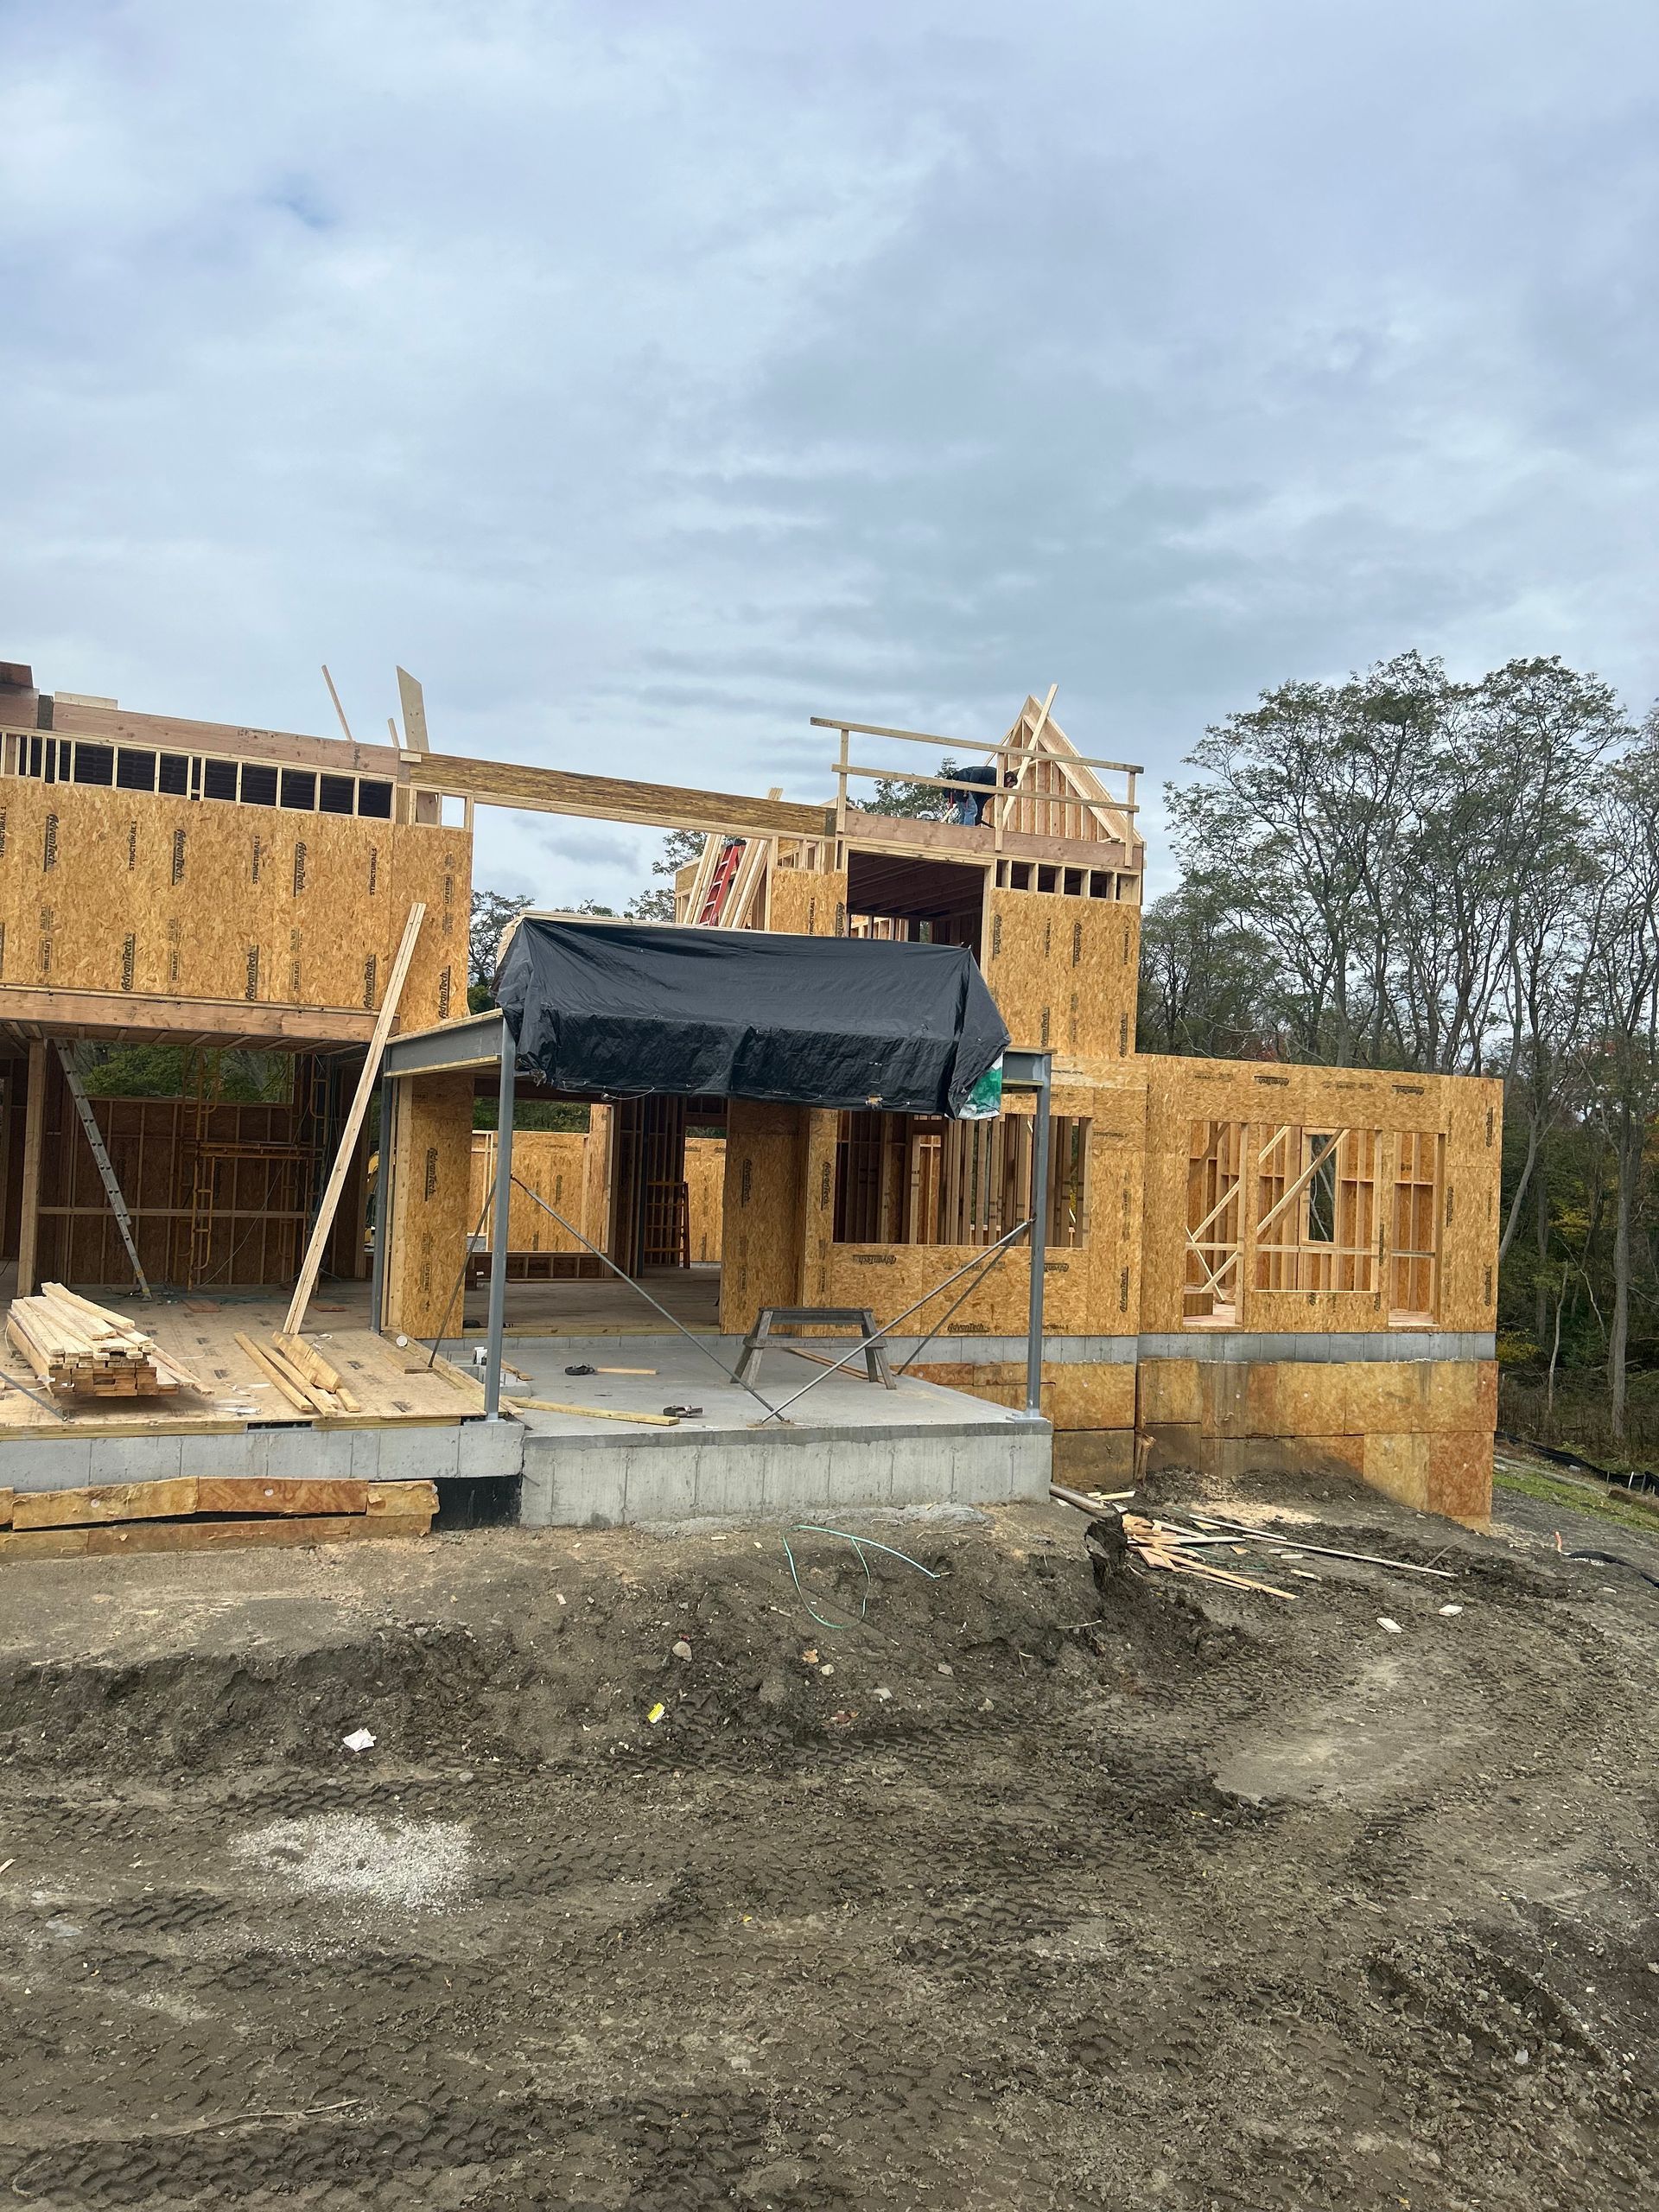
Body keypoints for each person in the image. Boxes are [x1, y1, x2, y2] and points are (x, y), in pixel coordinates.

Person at [947, 766, 1019, 826]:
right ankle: (967, 832)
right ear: (1008, 779)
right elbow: (976, 772)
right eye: (1011, 785)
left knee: (965, 812)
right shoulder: (994, 773)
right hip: (962, 781)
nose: (1010, 788)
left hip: (961, 786)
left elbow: (981, 801)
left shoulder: (995, 788)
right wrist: (972, 790)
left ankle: (961, 833)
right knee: (971, 810)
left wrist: (978, 816)